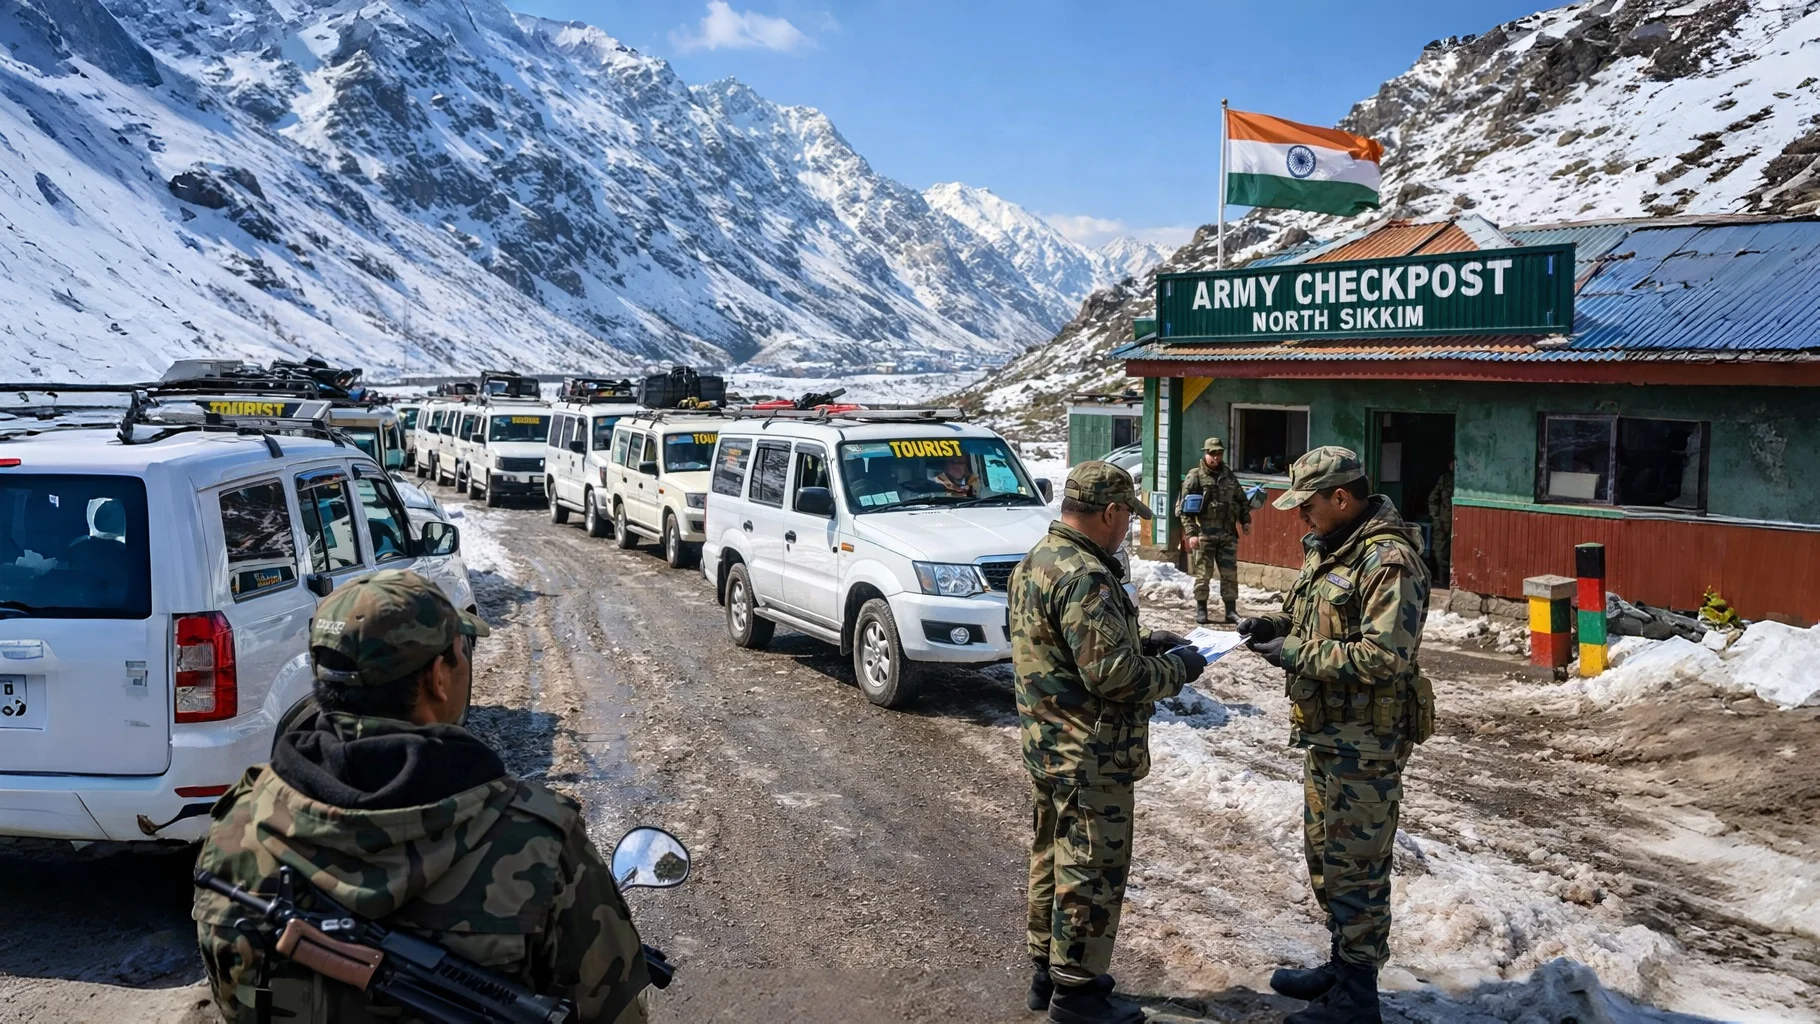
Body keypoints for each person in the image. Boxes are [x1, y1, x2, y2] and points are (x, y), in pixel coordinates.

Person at [192, 570, 651, 1024]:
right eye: (462, 650)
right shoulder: (541, 842)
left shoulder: (239, 823)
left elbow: (228, 993)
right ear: (438, 677)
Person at [1236, 448, 1433, 1024]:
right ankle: (1342, 962)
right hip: (1328, 734)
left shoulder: (1388, 560)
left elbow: (1384, 655)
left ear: (1341, 498)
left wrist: (1294, 651)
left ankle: (1357, 996)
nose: (1302, 516)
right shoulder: (1331, 548)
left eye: (1309, 505)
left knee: (1358, 865)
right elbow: (1317, 618)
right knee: (1326, 857)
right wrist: (1276, 626)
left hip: (1365, 742)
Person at [1010, 461, 1208, 1024]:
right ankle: (1077, 997)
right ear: (1111, 512)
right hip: (1090, 754)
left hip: (1050, 743)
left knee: (1052, 856)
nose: (1128, 530)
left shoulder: (1040, 560)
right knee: (1091, 868)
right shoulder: (1087, 575)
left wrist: (1145, 640)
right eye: (1127, 518)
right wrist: (1179, 668)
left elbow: (1064, 641)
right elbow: (1113, 676)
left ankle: (1048, 974)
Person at [1177, 437, 1251, 625]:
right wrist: (1191, 533)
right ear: (1205, 453)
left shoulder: (1229, 476)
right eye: (1212, 453)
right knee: (1203, 575)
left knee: (1229, 575)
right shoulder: (1195, 476)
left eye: (1219, 453)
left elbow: (1242, 500)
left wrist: (1245, 521)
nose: (1216, 457)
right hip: (1204, 535)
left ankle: (1231, 611)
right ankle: (1201, 610)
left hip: (1227, 535)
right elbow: (1184, 509)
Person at [1427, 457, 1455, 583]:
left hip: (1457, 524)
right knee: (1440, 551)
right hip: (1443, 523)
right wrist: (1436, 518)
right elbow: (1433, 499)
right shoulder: (1445, 479)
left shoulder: (1462, 481)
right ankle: (1442, 580)